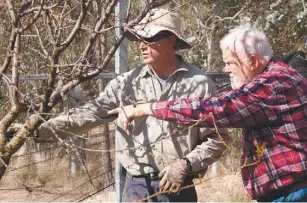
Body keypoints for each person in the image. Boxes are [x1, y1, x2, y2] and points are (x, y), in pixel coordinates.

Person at [35, 8, 229, 202]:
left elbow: (217, 139)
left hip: (178, 186)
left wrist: (185, 164)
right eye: (139, 39)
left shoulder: (199, 84)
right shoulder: (127, 84)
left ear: (171, 40)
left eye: (150, 38)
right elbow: (90, 114)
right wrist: (38, 130)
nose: (142, 46)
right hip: (136, 187)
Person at [108, 23, 307, 202]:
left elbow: (213, 109)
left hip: (292, 194)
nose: (225, 69)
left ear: (253, 62)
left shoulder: (272, 86)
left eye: (230, 63)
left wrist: (147, 108)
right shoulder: (279, 77)